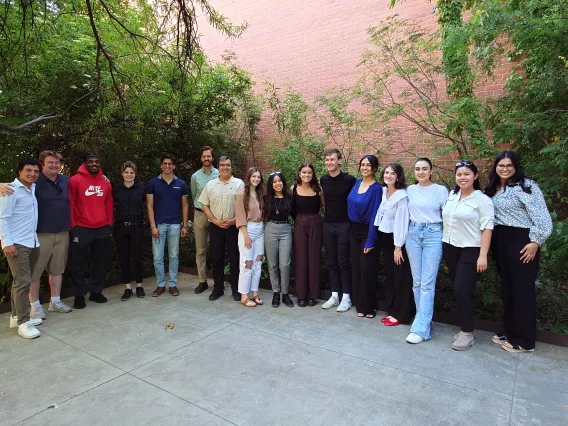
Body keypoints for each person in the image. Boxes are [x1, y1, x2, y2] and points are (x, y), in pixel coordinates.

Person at [485, 151, 552, 353]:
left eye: (509, 165)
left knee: (522, 290)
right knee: (507, 288)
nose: (505, 169)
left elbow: (542, 217)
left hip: (522, 241)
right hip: (500, 240)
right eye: (501, 165)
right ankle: (510, 330)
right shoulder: (495, 187)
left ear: (516, 167)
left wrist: (536, 242)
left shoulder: (527, 186)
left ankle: (525, 340)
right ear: (496, 167)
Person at [443, 161, 494, 351]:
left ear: (475, 176)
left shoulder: (483, 200)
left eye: (466, 174)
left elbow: (487, 228)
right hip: (450, 247)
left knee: (463, 289)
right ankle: (464, 326)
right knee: (459, 289)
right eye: (459, 174)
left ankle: (467, 332)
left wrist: (483, 255)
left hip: (471, 249)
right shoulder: (452, 195)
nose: (462, 177)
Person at [405, 158, 449, 344]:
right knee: (417, 282)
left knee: (427, 283)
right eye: (417, 169)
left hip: (433, 234)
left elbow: (448, 216)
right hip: (412, 234)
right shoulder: (409, 190)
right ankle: (421, 319)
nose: (421, 172)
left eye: (424, 169)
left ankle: (421, 328)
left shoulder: (440, 190)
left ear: (431, 171)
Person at [1, 158, 42, 338]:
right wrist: (6, 243)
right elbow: (2, 218)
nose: (32, 174)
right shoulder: (10, 190)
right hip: (17, 243)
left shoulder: (32, 188)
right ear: (20, 171)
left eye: (35, 171)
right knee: (23, 282)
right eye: (28, 170)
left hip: (32, 241)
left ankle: (16, 316)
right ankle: (24, 323)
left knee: (20, 281)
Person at [68, 153, 114, 309]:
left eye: (97, 162)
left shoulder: (106, 183)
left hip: (102, 228)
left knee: (100, 263)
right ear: (84, 164)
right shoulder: (75, 180)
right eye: (90, 162)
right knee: (78, 264)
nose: (94, 164)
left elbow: (109, 204)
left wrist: (108, 223)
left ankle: (96, 292)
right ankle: (79, 295)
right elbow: (71, 203)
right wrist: (73, 225)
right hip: (81, 228)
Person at [198, 156, 244, 301]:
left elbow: (245, 207)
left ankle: (237, 289)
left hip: (233, 227)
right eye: (222, 165)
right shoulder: (210, 185)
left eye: (228, 165)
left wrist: (232, 221)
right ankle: (218, 288)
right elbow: (204, 205)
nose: (225, 167)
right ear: (218, 166)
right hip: (216, 227)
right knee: (216, 258)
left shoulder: (239, 184)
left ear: (231, 167)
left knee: (234, 258)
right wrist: (214, 220)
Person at [373, 162, 413, 326]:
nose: (388, 176)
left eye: (392, 173)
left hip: (397, 241)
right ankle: (392, 309)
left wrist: (398, 247)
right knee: (391, 275)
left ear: (398, 176)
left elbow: (402, 222)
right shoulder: (384, 191)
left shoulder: (401, 196)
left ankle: (402, 314)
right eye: (386, 173)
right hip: (385, 237)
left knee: (401, 277)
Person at [146, 154, 189, 297]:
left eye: (170, 164)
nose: (167, 166)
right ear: (161, 165)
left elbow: (184, 206)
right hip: (158, 225)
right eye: (164, 163)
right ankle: (160, 285)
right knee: (157, 256)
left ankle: (172, 284)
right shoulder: (152, 183)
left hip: (175, 225)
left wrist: (184, 225)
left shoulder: (181, 184)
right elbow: (150, 205)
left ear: (174, 166)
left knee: (174, 256)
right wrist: (152, 225)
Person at [320, 148, 357, 312]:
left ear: (339, 161)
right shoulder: (323, 179)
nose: (329, 162)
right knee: (331, 262)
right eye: (327, 160)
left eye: (332, 159)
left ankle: (346, 298)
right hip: (328, 224)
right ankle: (335, 295)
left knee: (343, 262)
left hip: (344, 225)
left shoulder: (350, 180)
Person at [347, 155, 382, 318]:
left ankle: (370, 306)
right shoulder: (356, 183)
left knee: (367, 269)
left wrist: (371, 239)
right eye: (362, 165)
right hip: (353, 231)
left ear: (374, 168)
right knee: (356, 269)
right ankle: (359, 304)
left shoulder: (376, 188)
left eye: (368, 165)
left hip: (368, 232)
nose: (365, 167)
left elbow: (375, 214)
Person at [113, 161, 147, 301]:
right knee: (124, 259)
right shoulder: (116, 190)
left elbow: (149, 205)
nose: (129, 175)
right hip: (120, 227)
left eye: (131, 172)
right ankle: (128, 287)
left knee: (137, 258)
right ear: (122, 173)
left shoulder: (141, 189)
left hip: (136, 227)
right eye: (126, 172)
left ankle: (139, 285)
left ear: (135, 174)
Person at [291, 163, 323, 307]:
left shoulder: (318, 189)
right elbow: (290, 209)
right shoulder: (293, 189)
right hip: (300, 223)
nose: (306, 175)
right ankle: (301, 295)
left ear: (313, 174)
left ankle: (312, 295)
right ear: (299, 174)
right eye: (304, 172)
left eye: (309, 172)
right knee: (300, 258)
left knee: (314, 258)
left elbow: (324, 206)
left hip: (315, 222)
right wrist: (300, 221)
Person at [190, 146, 219, 294]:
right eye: (204, 156)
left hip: (216, 216)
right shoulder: (195, 176)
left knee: (216, 250)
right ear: (201, 158)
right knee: (201, 250)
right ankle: (202, 281)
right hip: (200, 215)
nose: (206, 159)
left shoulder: (219, 174)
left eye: (209, 156)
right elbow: (195, 195)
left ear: (212, 158)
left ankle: (217, 281)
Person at [263, 172, 294, 308]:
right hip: (270, 229)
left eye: (279, 181)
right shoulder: (266, 198)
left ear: (283, 182)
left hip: (285, 230)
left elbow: (296, 215)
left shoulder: (289, 198)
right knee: (272, 264)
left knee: (285, 264)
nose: (277, 183)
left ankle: (285, 293)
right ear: (271, 184)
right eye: (274, 181)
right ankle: (276, 292)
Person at [235, 167, 265, 307]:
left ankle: (254, 292)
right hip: (248, 229)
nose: (256, 179)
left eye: (258, 177)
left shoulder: (260, 194)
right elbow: (240, 216)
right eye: (254, 176)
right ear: (249, 178)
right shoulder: (242, 195)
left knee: (258, 262)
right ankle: (244, 295)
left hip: (260, 230)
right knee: (247, 263)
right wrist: (246, 235)